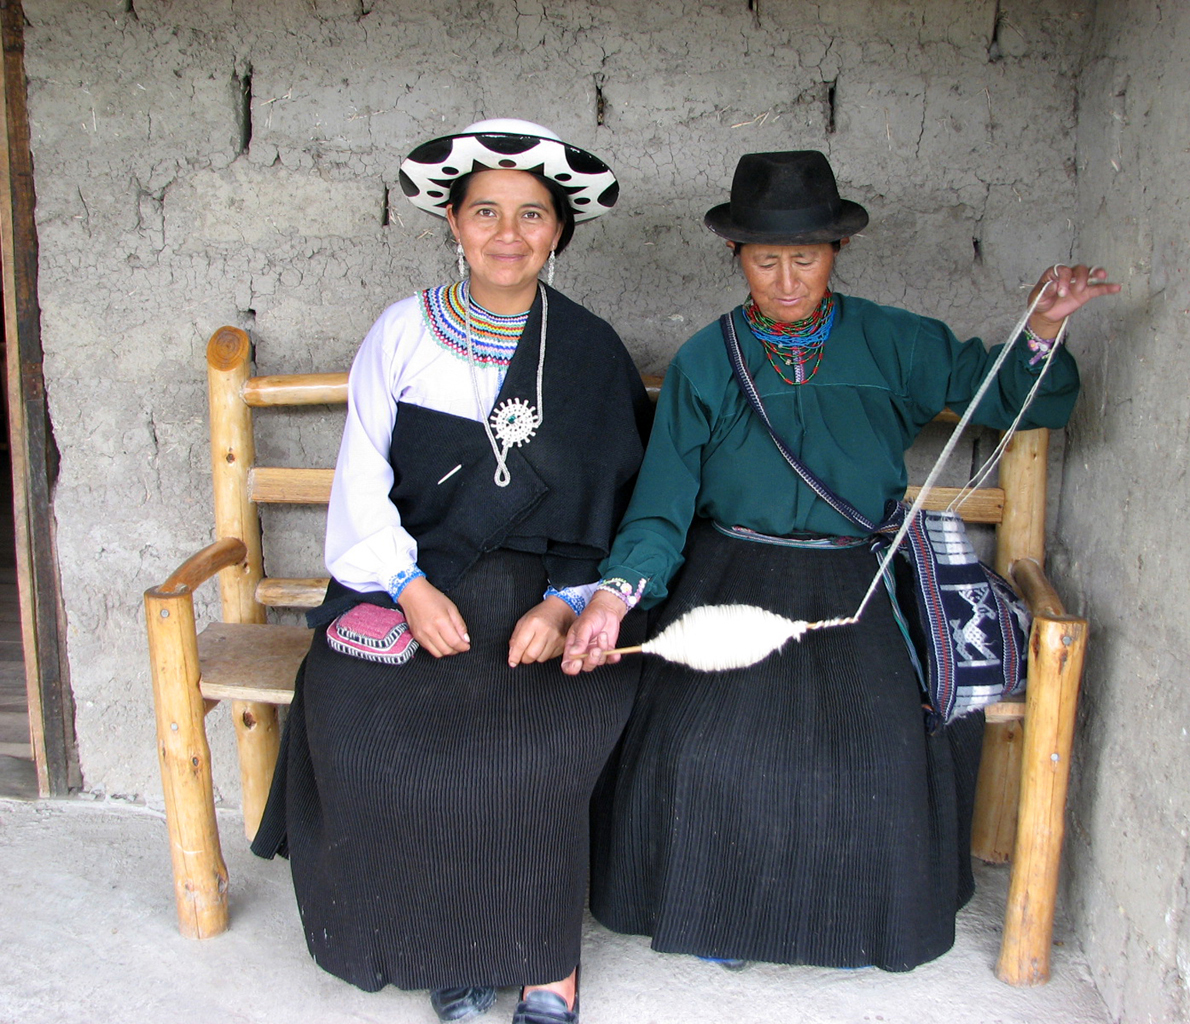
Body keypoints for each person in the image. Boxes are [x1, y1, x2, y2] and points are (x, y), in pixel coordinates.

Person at [563, 150, 1119, 972]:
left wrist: (1041, 326)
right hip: (729, 570)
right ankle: (722, 918)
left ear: (836, 254)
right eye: (764, 259)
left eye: (805, 257)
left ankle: (857, 923)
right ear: (735, 258)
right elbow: (663, 501)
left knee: (877, 748)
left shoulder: (894, 340)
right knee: (702, 740)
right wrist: (617, 593)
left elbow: (1008, 395)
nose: (786, 279)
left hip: (856, 572)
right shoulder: (707, 361)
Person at [252, 120, 650, 1024]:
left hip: (541, 593)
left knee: (536, 742)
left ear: (558, 230)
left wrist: (564, 604)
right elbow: (360, 482)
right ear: (453, 223)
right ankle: (452, 949)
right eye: (485, 212)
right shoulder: (400, 334)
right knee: (362, 722)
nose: (506, 234)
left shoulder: (586, 350)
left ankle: (548, 967)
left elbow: (618, 503)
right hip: (414, 581)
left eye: (531, 215)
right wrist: (406, 585)